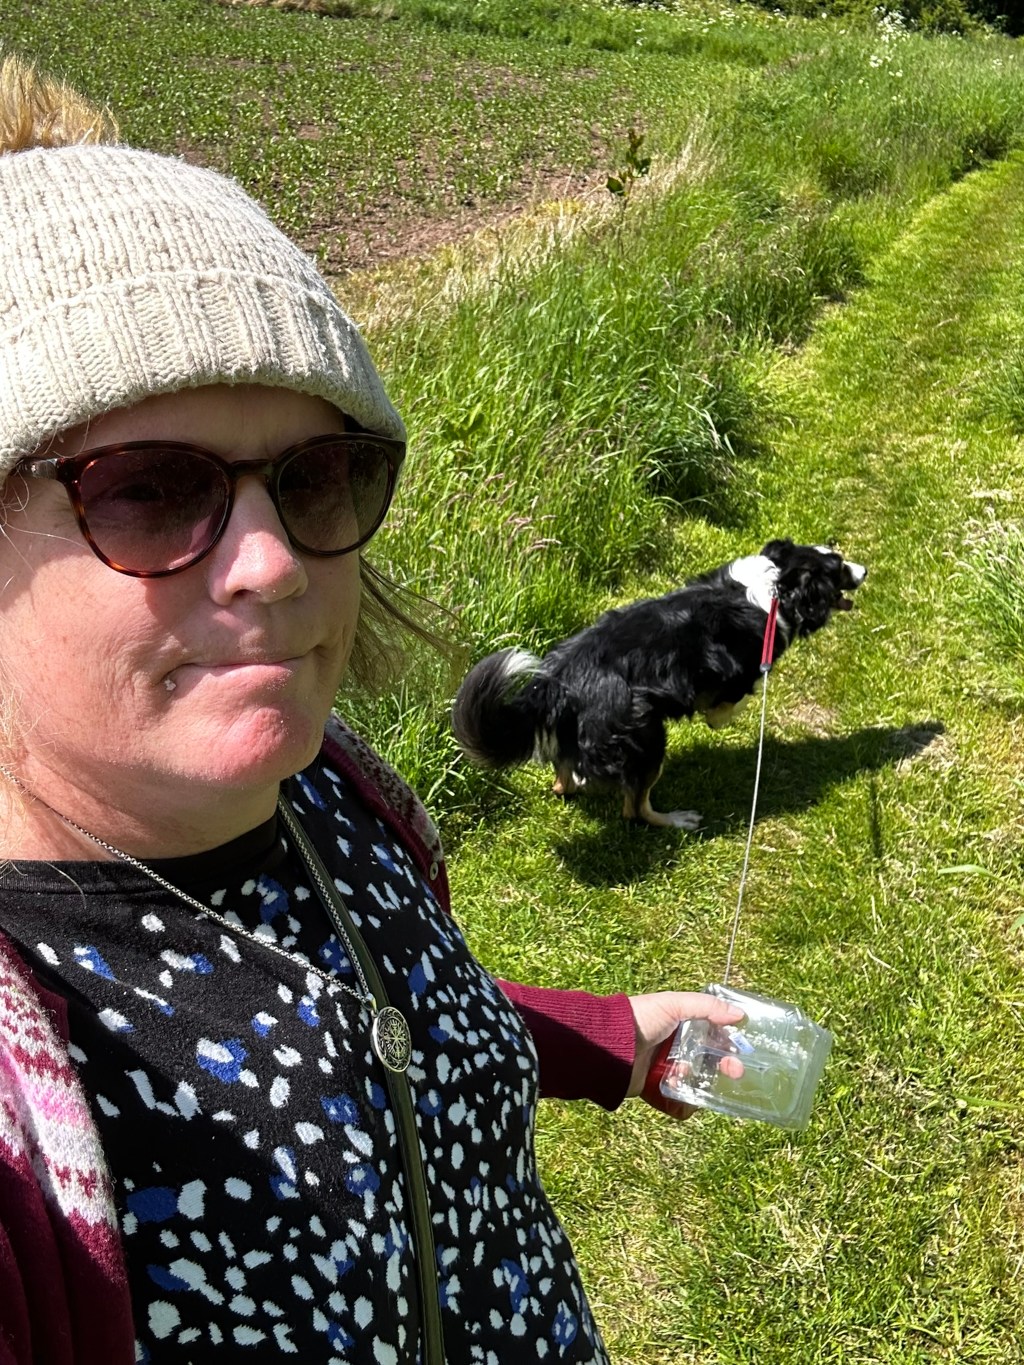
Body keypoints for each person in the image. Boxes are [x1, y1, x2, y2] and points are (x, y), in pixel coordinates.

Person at [0, 55, 744, 1365]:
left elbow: (382, 1015)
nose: (275, 560)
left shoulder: (336, 798)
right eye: (149, 490)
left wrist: (614, 1040)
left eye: (316, 475)